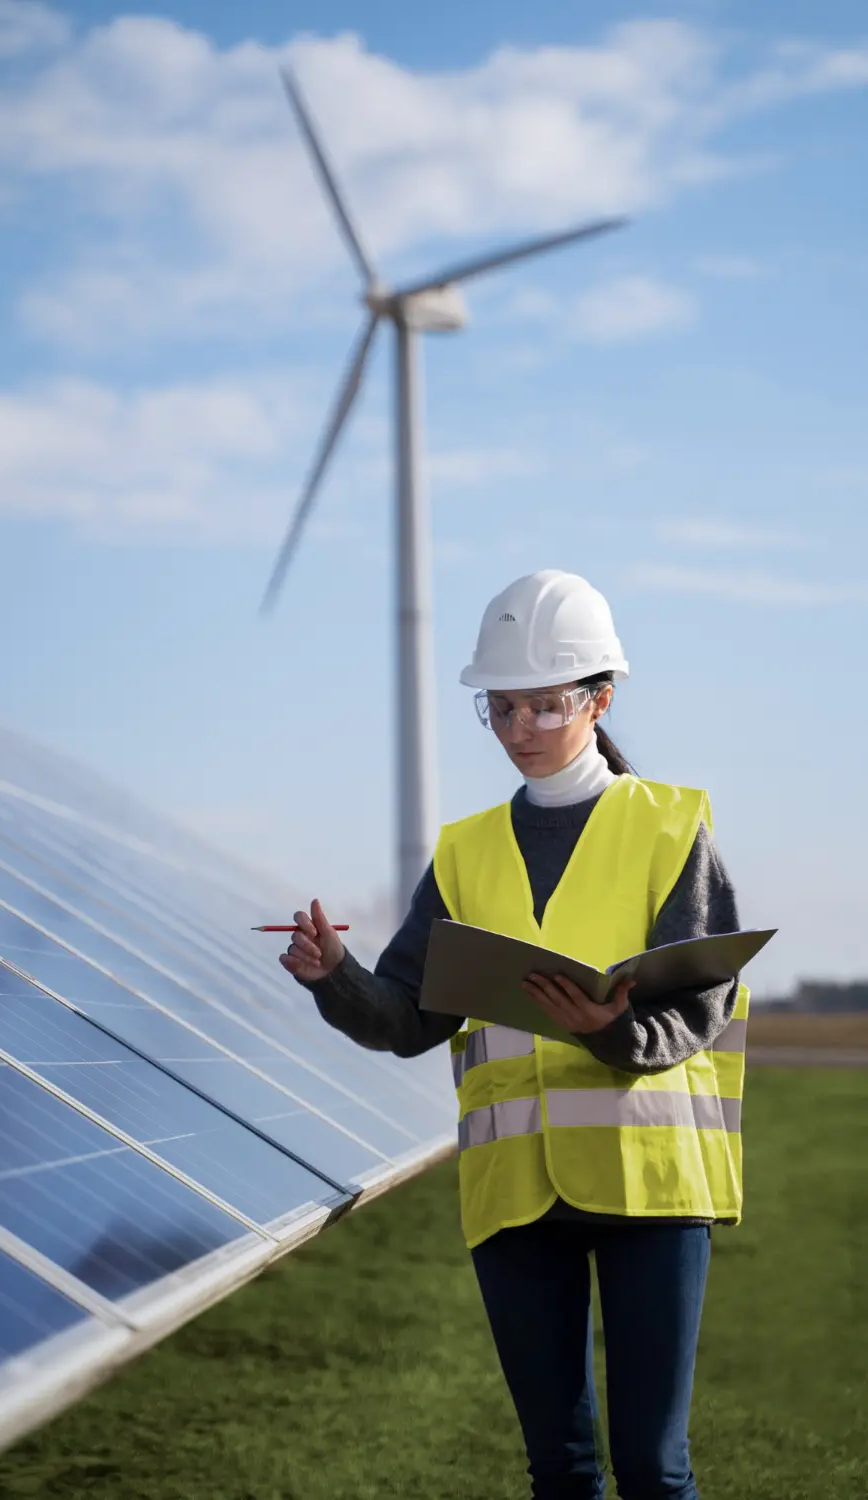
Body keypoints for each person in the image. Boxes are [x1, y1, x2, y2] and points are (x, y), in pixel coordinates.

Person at [280, 569, 748, 1500]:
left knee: (655, 1470)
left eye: (543, 706)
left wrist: (615, 1032)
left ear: (599, 699)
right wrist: (335, 976)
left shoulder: (669, 826)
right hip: (515, 1194)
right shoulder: (465, 850)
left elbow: (703, 1003)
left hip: (650, 1183)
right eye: (500, 710)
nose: (519, 731)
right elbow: (413, 1019)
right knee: (559, 1472)